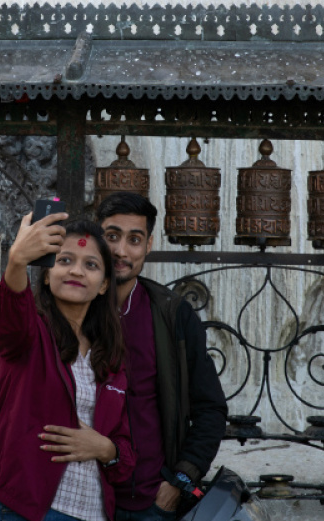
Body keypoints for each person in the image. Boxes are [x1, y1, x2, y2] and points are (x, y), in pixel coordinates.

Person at [0, 213, 135, 521]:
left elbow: (124, 453)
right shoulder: (29, 336)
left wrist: (105, 449)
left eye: (91, 265)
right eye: (65, 260)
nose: (76, 271)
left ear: (104, 284)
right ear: (45, 275)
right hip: (32, 510)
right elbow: (10, 312)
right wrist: (17, 261)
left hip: (95, 512)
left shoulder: (108, 356)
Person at [96, 192, 228, 521]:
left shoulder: (172, 315)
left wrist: (180, 480)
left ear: (148, 245)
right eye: (112, 236)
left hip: (152, 503)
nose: (121, 251)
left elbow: (210, 408)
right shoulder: (73, 310)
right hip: (85, 499)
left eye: (134, 239)